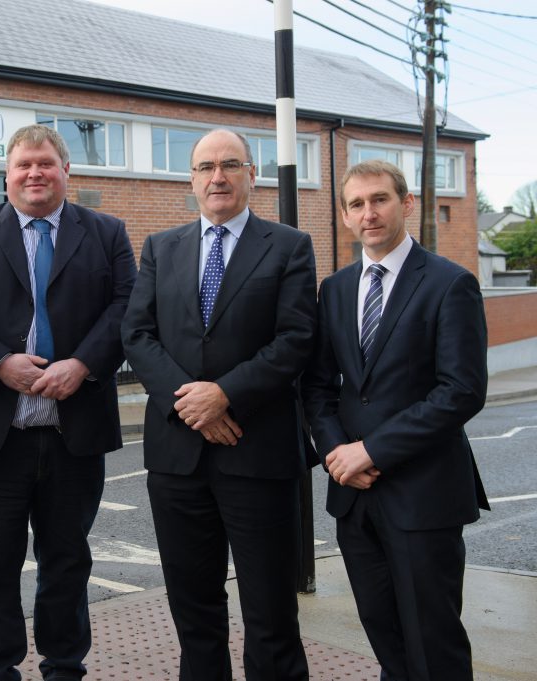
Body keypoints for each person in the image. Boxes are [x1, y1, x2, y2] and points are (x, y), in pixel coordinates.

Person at [0, 124, 136, 681]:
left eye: (46, 163)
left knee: (66, 564)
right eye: (23, 165)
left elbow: (125, 307)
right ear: (7, 173)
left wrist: (84, 364)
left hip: (75, 436)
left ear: (67, 171)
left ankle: (64, 666)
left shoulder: (107, 232)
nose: (35, 173)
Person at [120, 128, 316, 680]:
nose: (218, 177)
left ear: (252, 175)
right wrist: (193, 404)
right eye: (205, 167)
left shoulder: (289, 245)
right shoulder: (162, 247)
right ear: (191, 178)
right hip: (178, 459)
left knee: (271, 610)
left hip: (258, 455)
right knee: (194, 608)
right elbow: (137, 334)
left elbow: (297, 339)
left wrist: (225, 393)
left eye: (230, 165)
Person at [302, 160, 488, 680]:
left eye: (379, 199)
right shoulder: (335, 290)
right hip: (355, 498)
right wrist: (339, 454)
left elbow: (462, 391)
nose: (369, 213)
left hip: (423, 496)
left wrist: (373, 450)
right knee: (385, 637)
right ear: (343, 215)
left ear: (405, 203)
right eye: (356, 204)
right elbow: (317, 386)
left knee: (433, 644)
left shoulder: (451, 284)